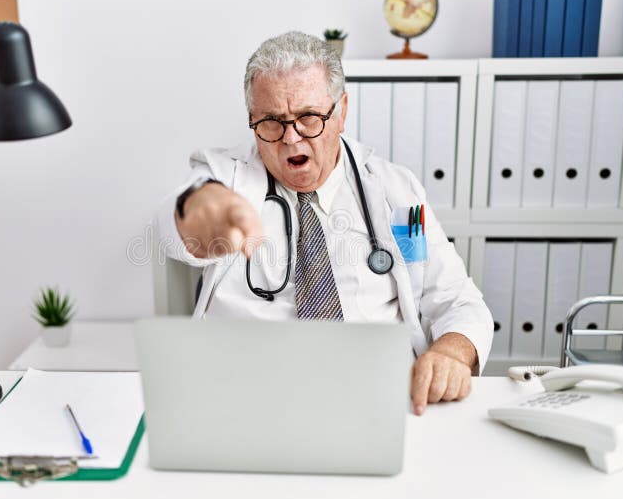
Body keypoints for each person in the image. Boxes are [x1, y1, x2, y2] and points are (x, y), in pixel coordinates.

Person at [156, 31, 492, 415]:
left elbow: (458, 299)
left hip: (377, 397)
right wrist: (197, 214)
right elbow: (169, 229)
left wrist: (452, 351)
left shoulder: (395, 190)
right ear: (252, 120)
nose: (290, 138)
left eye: (309, 118)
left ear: (342, 111)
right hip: (245, 397)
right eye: (270, 122)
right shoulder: (224, 177)